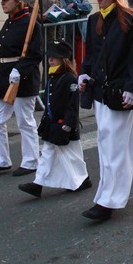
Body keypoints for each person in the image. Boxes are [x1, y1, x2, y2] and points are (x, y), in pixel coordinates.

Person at [78, 0, 133, 221]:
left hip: (120, 91)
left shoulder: (131, 18)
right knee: (105, 146)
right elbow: (91, 55)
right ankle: (106, 195)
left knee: (117, 148)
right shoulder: (94, 19)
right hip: (100, 92)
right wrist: (84, 73)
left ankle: (109, 200)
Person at [0, 0, 43, 177]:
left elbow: (35, 55)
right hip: (4, 77)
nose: (3, 3)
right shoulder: (10, 21)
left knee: (25, 121)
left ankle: (31, 161)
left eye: (6, 0)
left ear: (18, 1)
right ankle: (1, 160)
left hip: (22, 77)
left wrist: (19, 70)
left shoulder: (30, 23)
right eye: (2, 0)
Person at [18, 40, 91, 198]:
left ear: (64, 60)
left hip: (64, 125)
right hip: (53, 124)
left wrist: (68, 124)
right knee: (48, 153)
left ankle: (83, 179)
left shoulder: (70, 79)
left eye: (55, 57)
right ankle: (38, 183)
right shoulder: (52, 77)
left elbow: (72, 104)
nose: (50, 60)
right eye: (50, 57)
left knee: (72, 156)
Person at [59, 0, 92, 71]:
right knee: (67, 61)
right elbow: (65, 11)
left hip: (81, 33)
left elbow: (88, 8)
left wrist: (75, 5)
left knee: (81, 60)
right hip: (68, 34)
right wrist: (80, 10)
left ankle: (80, 79)